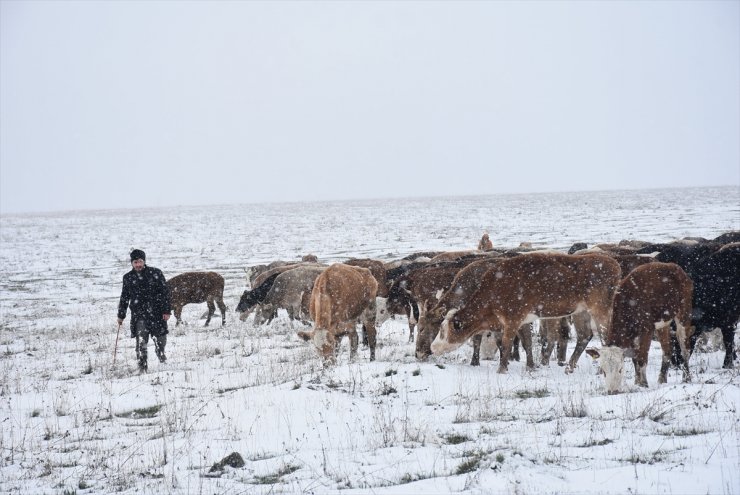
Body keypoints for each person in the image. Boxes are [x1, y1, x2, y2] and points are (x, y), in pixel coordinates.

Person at [117, 249, 171, 372]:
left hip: (157, 313)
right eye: (135, 262)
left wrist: (166, 311)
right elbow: (124, 297)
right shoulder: (128, 278)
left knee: (160, 340)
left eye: (140, 261)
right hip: (139, 315)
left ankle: (162, 358)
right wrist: (121, 315)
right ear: (132, 263)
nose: (138, 265)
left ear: (144, 261)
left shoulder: (155, 273)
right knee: (141, 343)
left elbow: (165, 293)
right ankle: (142, 367)